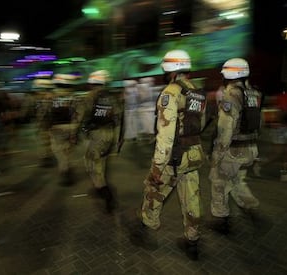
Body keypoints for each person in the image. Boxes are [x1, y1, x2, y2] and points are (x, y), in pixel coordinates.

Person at [130, 50, 207, 261]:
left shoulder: (170, 93)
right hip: (194, 154)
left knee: (154, 189)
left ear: (169, 70)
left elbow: (165, 138)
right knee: (192, 196)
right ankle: (193, 241)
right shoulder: (198, 92)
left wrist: (156, 168)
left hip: (175, 157)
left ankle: (145, 227)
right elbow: (199, 125)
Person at [208, 58, 262, 234]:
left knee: (219, 182)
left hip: (234, 149)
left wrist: (218, 152)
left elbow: (226, 127)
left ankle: (221, 220)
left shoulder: (231, 94)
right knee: (238, 181)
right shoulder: (253, 93)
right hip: (250, 147)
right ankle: (251, 208)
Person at [80, 70, 123, 213]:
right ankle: (100, 188)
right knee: (102, 161)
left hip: (96, 135)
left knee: (91, 163)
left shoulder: (90, 97)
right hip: (110, 133)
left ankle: (105, 194)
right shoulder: (112, 97)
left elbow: (82, 116)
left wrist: (82, 131)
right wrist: (116, 141)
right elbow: (118, 118)